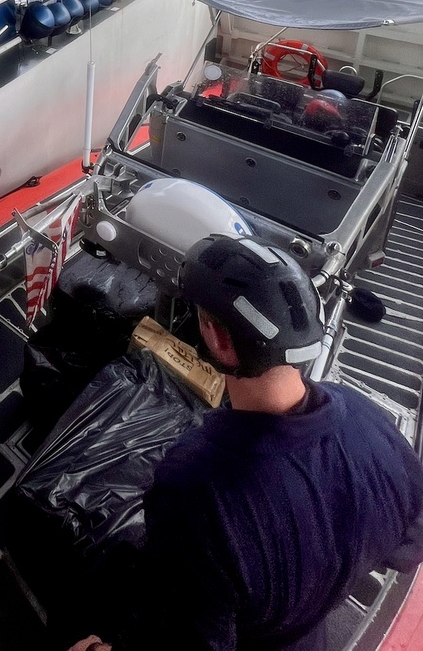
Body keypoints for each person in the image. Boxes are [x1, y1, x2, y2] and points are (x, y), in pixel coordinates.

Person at [69, 235, 423, 651]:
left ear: (218, 340)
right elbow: (409, 548)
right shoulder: (370, 420)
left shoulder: (194, 488)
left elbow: (193, 642)